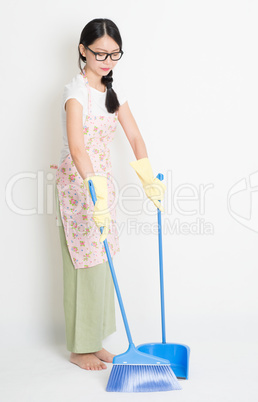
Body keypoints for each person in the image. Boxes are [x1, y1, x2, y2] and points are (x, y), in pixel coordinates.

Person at [55, 18, 166, 371]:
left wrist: (147, 176)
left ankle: (96, 340)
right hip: (79, 186)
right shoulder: (75, 94)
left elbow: (135, 137)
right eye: (100, 53)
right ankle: (79, 347)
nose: (107, 61)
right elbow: (77, 147)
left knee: (103, 262)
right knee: (83, 265)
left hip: (105, 184)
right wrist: (93, 187)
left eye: (114, 54)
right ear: (82, 50)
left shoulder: (113, 93)